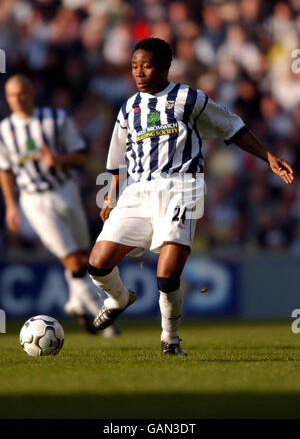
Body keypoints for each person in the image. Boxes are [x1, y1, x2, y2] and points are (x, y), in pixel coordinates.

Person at [87, 37, 294, 355]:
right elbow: (116, 161)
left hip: (182, 187)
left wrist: (268, 157)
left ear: (165, 67)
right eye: (134, 67)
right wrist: (109, 194)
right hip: (138, 190)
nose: (139, 73)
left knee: (167, 274)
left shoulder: (189, 99)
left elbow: (231, 127)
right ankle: (119, 298)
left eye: (146, 65)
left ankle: (170, 339)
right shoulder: (129, 107)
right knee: (97, 264)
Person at [0, 75, 119, 337]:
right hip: (34, 200)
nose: (17, 99)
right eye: (11, 95)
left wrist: (58, 159)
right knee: (72, 260)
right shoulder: (5, 130)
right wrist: (10, 206)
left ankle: (76, 302)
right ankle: (101, 318)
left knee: (82, 255)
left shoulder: (56, 119)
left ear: (31, 92)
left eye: (21, 93)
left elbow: (80, 154)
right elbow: (5, 170)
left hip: (66, 191)